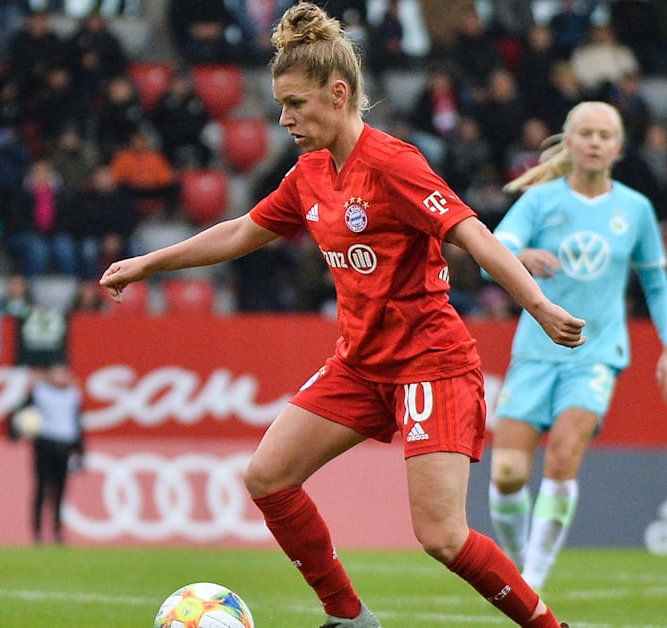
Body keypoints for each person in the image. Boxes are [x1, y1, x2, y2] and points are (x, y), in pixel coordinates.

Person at [98, 4, 583, 627]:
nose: (284, 119)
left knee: (442, 536)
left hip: (429, 362)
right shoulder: (310, 173)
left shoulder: (394, 164)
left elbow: (471, 232)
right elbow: (244, 231)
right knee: (268, 476)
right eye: (280, 104)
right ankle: (349, 618)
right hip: (359, 363)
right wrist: (148, 263)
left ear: (338, 92)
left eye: (295, 104)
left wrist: (537, 306)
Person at [487, 101, 667, 592]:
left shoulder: (635, 209)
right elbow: (492, 248)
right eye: (586, 133)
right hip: (535, 349)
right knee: (508, 472)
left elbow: (657, 286)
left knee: (563, 456)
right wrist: (522, 254)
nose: (595, 142)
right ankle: (518, 567)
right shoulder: (539, 200)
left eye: (604, 135)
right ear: (569, 142)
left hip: (595, 353)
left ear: (617, 148)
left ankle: (530, 584)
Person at [7, 362, 85, 545]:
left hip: (65, 445)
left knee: (60, 491)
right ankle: (38, 533)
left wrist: (80, 451)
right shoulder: (39, 392)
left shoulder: (73, 395)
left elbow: (77, 423)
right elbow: (20, 413)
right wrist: (15, 433)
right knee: (41, 489)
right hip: (44, 443)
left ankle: (57, 532)